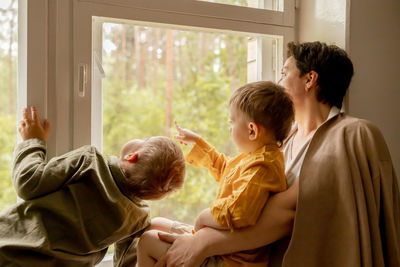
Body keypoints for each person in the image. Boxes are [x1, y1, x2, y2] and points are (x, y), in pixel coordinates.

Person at [155, 41, 400, 267]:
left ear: (310, 79)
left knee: (153, 243)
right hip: (249, 249)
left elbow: (287, 215)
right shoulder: (280, 141)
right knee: (154, 226)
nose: (278, 80)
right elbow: (239, 180)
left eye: (284, 73)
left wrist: (204, 242)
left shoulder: (350, 134)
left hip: (282, 258)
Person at [0, 106, 186, 266]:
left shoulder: (89, 162)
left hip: (10, 249)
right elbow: (123, 263)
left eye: (145, 140)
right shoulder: (137, 219)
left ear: (132, 156)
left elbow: (28, 183)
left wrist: (33, 141)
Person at [136, 81, 295, 267]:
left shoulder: (261, 168)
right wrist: (198, 142)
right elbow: (226, 168)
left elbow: (239, 213)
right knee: (157, 223)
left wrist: (205, 216)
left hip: (231, 260)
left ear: (252, 130)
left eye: (232, 121)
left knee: (147, 241)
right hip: (224, 247)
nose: (230, 128)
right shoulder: (256, 157)